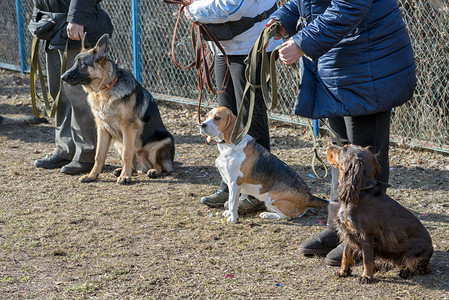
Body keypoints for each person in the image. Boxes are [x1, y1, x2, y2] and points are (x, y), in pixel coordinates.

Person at [266, 0, 416, 265]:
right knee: (342, 151)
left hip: (369, 60)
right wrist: (281, 20)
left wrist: (302, 42)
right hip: (335, 60)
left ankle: (370, 240)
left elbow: (349, 6)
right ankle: (340, 229)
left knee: (365, 156)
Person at [184, 0, 282, 211]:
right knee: (225, 120)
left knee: (250, 119)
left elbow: (231, 6)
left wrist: (191, 9)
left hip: (252, 45)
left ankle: (257, 189)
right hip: (224, 47)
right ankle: (230, 186)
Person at [31, 0, 114, 174]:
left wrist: (77, 18)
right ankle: (65, 150)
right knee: (58, 91)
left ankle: (87, 154)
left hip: (77, 26)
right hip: (53, 25)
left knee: (78, 95)